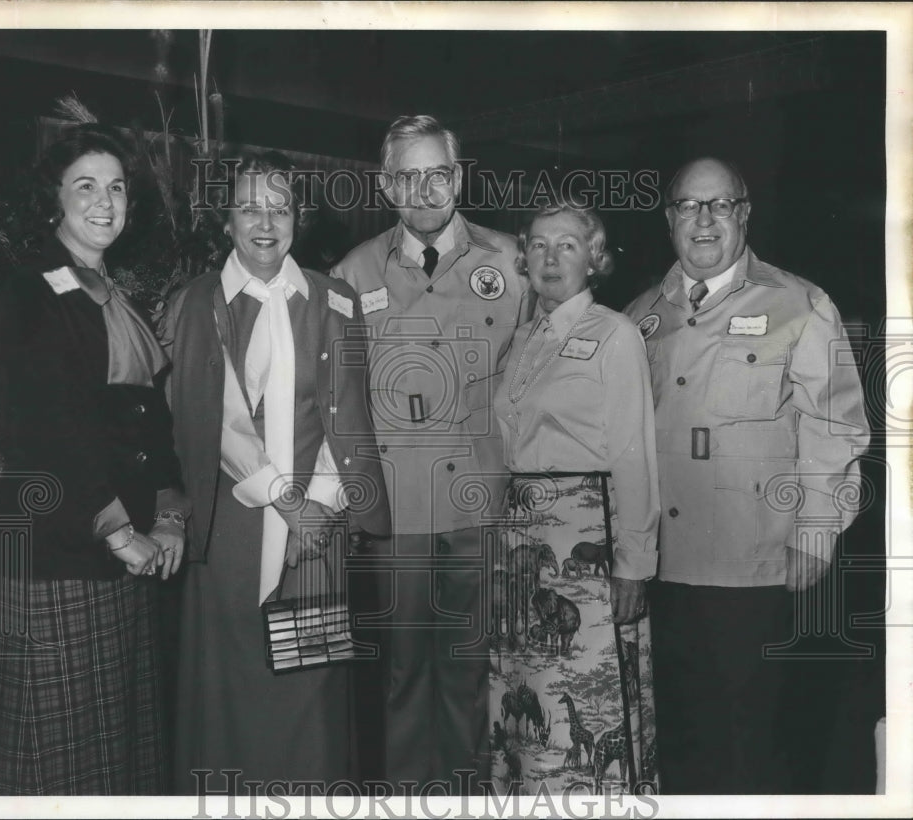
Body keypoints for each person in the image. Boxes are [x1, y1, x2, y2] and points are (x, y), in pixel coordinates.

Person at [624, 157, 870, 793]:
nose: (703, 220)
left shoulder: (800, 303)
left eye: (719, 205)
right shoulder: (639, 314)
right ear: (669, 218)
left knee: (751, 743)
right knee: (672, 737)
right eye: (688, 206)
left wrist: (817, 533)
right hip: (661, 567)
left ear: (744, 214)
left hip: (753, 565)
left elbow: (836, 427)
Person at [161, 150, 391, 794]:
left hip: (320, 524)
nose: (266, 222)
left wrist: (317, 504)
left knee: (312, 684)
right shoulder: (199, 301)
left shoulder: (335, 298)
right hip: (233, 519)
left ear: (299, 218)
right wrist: (282, 498)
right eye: (249, 207)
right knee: (234, 682)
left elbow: (348, 411)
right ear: (226, 221)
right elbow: (208, 418)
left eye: (280, 207)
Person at [330, 115, 528, 791]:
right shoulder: (354, 272)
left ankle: (470, 794)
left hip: (482, 501)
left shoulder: (512, 261)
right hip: (396, 507)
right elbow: (337, 398)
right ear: (387, 185)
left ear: (459, 177)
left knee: (476, 669)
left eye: (437, 172)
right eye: (407, 175)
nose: (424, 189)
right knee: (402, 672)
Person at [0, 123, 189, 794]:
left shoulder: (113, 294)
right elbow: (44, 433)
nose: (105, 202)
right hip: (63, 557)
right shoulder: (31, 293)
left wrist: (168, 518)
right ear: (55, 200)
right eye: (86, 187)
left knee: (115, 762)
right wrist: (117, 529)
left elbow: (151, 426)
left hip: (122, 559)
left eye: (117, 187)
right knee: (62, 770)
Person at [488, 202, 660, 794]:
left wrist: (634, 563)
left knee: (590, 689)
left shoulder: (616, 334)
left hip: (586, 531)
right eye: (538, 245)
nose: (551, 257)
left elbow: (635, 453)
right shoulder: (522, 337)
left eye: (567, 245)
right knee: (526, 692)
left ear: (595, 258)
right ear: (523, 257)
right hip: (523, 535)